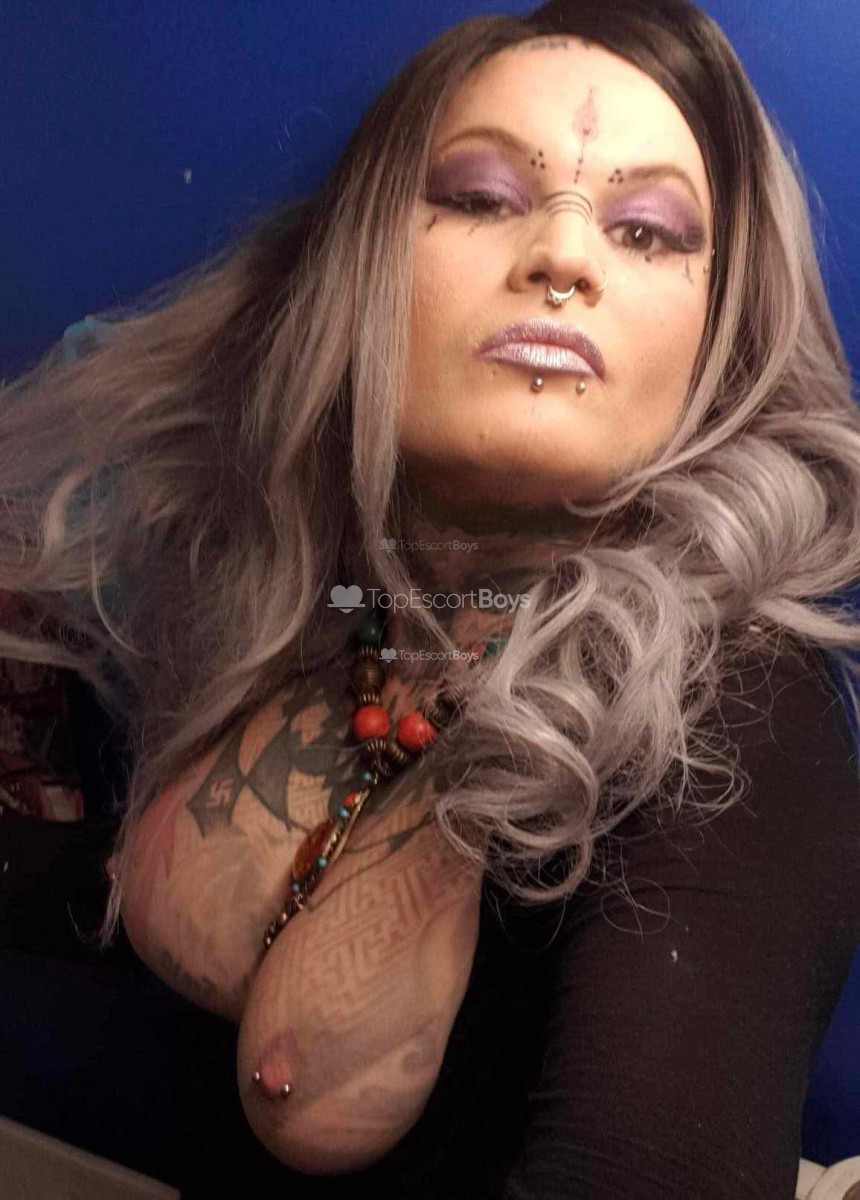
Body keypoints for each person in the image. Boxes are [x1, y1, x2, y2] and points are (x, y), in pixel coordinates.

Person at [1, 0, 860, 1194]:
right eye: (481, 196)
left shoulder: (737, 709)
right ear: (365, 261)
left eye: (647, 230)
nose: (561, 255)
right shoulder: (330, 602)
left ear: (720, 336)